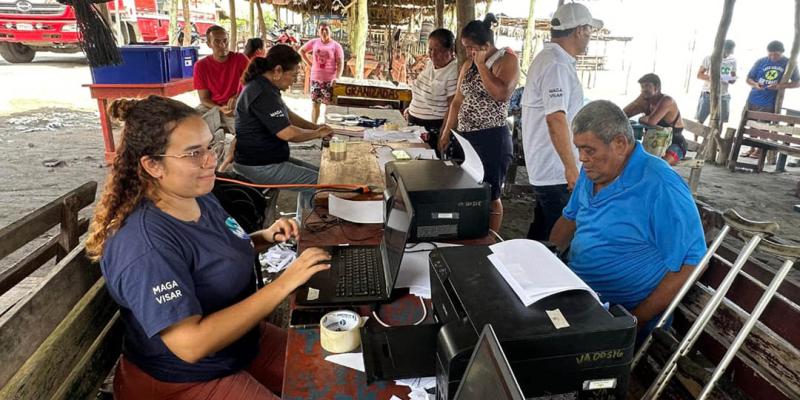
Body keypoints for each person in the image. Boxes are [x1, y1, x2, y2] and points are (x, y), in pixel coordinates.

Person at [85, 95, 332, 399]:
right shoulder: (144, 244)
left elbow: (211, 255)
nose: (211, 159)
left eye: (209, 146)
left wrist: (263, 237)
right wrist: (285, 284)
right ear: (152, 165)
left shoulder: (195, 195)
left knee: (335, 370)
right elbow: (191, 344)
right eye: (193, 153)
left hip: (240, 342)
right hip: (185, 378)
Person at [550, 100, 707, 346]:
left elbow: (693, 262)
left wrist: (635, 320)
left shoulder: (659, 184)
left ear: (620, 144)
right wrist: (546, 261)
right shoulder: (592, 172)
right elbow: (569, 218)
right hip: (578, 298)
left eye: (589, 150)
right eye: (578, 149)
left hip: (620, 315)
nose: (582, 158)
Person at [520, 2, 602, 241]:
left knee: (544, 230)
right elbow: (556, 119)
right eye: (588, 31)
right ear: (579, 31)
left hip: (547, 166)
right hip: (555, 170)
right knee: (561, 237)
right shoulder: (555, 64)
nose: (589, 38)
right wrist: (571, 168)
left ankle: (520, 272)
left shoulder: (553, 59)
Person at [232, 45, 333, 219]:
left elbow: (290, 116)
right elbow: (288, 133)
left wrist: (316, 127)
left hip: (268, 160)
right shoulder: (262, 92)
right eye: (293, 75)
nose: (294, 81)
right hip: (258, 166)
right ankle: (307, 230)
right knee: (320, 183)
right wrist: (317, 134)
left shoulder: (266, 87)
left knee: (323, 174)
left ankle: (303, 222)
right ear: (278, 70)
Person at [743, 40, 800, 158]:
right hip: (754, 98)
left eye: (776, 55)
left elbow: (797, 83)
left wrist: (779, 86)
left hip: (770, 101)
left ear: (782, 52)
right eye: (770, 54)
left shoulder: (789, 63)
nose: (773, 57)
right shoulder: (761, 61)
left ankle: (759, 150)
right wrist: (755, 85)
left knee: (765, 126)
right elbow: (748, 78)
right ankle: (751, 147)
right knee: (752, 124)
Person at [406, 28, 459, 155]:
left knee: (427, 167)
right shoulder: (430, 64)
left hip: (433, 129)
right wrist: (411, 107)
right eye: (430, 49)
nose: (433, 54)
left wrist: (444, 134)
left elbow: (452, 106)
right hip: (414, 124)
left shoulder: (453, 71)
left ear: (451, 51)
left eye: (438, 50)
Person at [193, 26, 249, 130]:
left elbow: (252, 86)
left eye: (225, 41)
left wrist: (237, 98)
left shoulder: (240, 59)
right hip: (212, 106)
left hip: (238, 105)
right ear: (209, 44)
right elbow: (204, 98)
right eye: (217, 42)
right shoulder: (201, 66)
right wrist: (220, 108)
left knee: (246, 132)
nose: (222, 45)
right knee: (190, 122)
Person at [624, 73, 686, 166]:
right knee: (628, 160)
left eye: (647, 86)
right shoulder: (646, 100)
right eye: (642, 87)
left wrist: (643, 118)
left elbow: (652, 121)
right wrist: (637, 101)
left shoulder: (667, 101)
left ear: (657, 87)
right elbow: (623, 114)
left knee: (658, 166)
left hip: (674, 145)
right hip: (653, 144)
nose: (644, 89)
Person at [299, 23, 344, 124]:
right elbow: (301, 51)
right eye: (322, 30)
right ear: (318, 31)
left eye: (326, 30)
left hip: (330, 81)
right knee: (315, 105)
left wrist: (337, 78)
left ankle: (328, 127)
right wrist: (310, 64)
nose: (324, 32)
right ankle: (313, 126)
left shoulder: (336, 46)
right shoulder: (314, 42)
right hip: (315, 79)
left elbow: (340, 63)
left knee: (330, 106)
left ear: (330, 32)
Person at [695, 39, 737, 124]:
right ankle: (696, 138)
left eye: (729, 50)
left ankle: (714, 137)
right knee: (700, 119)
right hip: (708, 93)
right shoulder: (709, 58)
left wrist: (730, 78)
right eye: (726, 50)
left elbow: (733, 79)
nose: (727, 53)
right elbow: (699, 75)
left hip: (723, 94)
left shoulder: (732, 61)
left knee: (720, 121)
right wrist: (714, 78)